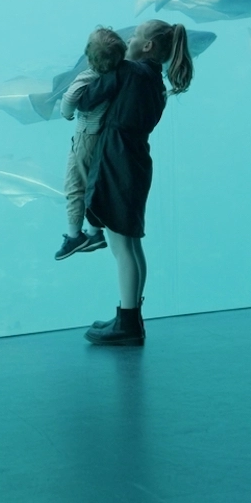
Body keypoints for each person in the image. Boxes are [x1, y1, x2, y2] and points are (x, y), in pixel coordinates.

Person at [67, 20, 193, 346]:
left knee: (121, 247)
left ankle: (127, 323)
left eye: (135, 35)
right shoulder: (156, 82)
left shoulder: (128, 72)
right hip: (136, 160)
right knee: (132, 245)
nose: (129, 39)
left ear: (147, 46)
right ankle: (131, 316)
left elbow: (86, 100)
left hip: (116, 160)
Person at [54, 27, 126, 262]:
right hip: (104, 138)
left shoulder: (89, 75)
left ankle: (76, 236)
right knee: (93, 182)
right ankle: (94, 232)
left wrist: (66, 114)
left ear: (89, 56)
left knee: (75, 185)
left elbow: (69, 98)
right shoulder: (120, 74)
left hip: (86, 136)